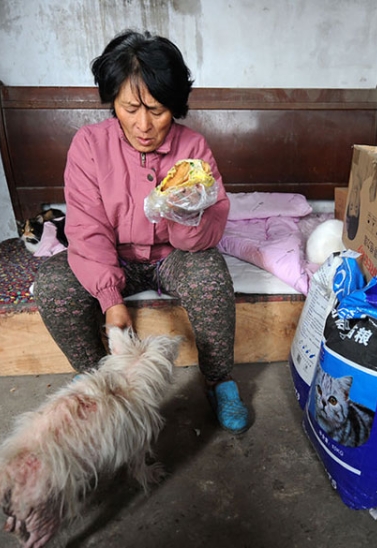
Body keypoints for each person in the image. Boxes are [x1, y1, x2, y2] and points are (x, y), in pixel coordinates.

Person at [33, 29, 249, 434]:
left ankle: (219, 380)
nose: (144, 124)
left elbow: (211, 227)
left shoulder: (194, 149)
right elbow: (86, 226)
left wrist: (185, 217)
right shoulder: (89, 146)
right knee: (54, 284)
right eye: (131, 108)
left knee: (211, 277)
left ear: (176, 106)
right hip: (112, 257)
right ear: (112, 101)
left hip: (173, 256)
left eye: (157, 109)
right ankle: (94, 378)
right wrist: (110, 298)